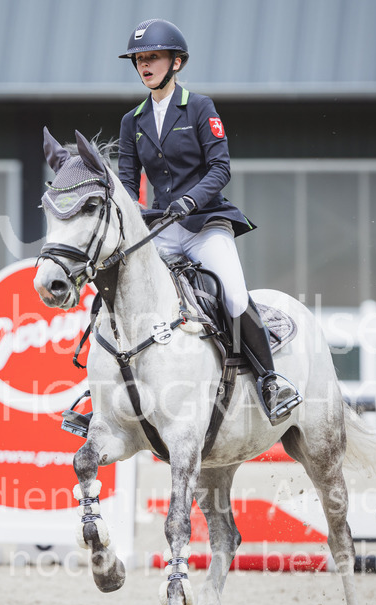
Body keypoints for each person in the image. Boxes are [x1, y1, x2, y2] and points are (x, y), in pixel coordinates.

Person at [116, 18, 301, 425]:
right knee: (123, 291)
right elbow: (128, 182)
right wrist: (135, 216)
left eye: (153, 58)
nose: (144, 65)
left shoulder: (200, 108)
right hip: (160, 230)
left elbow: (220, 168)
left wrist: (190, 199)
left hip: (205, 223)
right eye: (139, 60)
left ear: (176, 62)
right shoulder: (132, 122)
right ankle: (102, 389)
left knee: (233, 295)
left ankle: (271, 380)